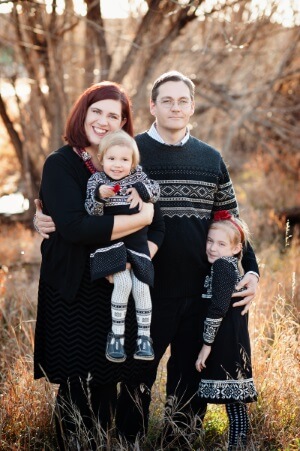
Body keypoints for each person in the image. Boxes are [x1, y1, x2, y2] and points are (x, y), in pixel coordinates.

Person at [34, 71, 259, 447]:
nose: (175, 107)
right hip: (144, 283)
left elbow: (229, 219)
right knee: (132, 378)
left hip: (197, 290)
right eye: (166, 100)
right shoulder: (127, 151)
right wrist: (45, 217)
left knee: (187, 381)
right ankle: (127, 442)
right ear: (152, 106)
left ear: (192, 106)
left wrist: (251, 269)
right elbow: (81, 206)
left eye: (182, 100)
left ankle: (179, 441)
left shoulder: (210, 158)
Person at [33, 81, 165, 450]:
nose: (104, 121)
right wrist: (140, 220)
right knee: (75, 382)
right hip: (73, 285)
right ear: (83, 113)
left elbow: (160, 224)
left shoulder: (126, 163)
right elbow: (75, 227)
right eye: (97, 112)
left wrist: (143, 255)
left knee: (109, 376)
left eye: (114, 116)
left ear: (124, 123)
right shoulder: (62, 163)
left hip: (117, 283)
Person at [85, 129, 160, 362]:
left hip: (137, 245)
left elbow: (155, 192)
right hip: (111, 246)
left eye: (124, 160)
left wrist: (141, 191)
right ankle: (116, 336)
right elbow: (91, 212)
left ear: (133, 162)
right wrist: (100, 196)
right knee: (124, 282)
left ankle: (144, 338)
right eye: (112, 159)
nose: (118, 165)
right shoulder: (97, 180)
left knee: (142, 287)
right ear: (102, 158)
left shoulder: (138, 177)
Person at [195, 210, 257, 450]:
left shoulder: (222, 266)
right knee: (235, 403)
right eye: (209, 241)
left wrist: (205, 345)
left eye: (221, 244)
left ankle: (237, 447)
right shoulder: (225, 263)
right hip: (232, 340)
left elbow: (218, 308)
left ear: (236, 249)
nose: (212, 248)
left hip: (226, 342)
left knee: (235, 404)